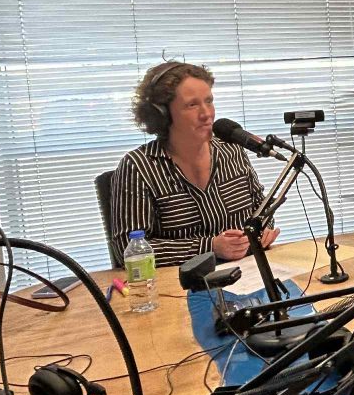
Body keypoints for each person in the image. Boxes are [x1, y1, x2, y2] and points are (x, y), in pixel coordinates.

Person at [110, 61, 280, 267]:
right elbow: (127, 249)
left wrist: (263, 230)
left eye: (209, 101)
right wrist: (210, 247)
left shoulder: (232, 151)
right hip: (181, 282)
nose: (206, 114)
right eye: (192, 105)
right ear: (162, 115)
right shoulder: (138, 166)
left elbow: (261, 209)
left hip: (247, 273)